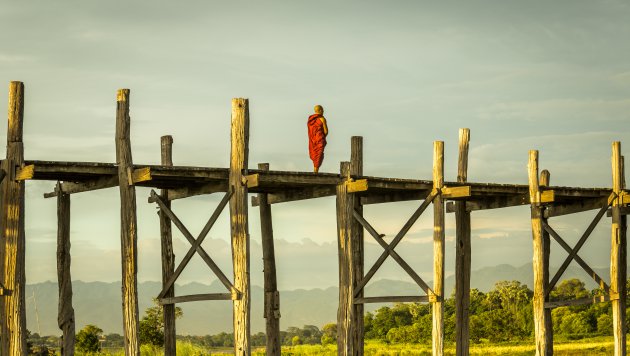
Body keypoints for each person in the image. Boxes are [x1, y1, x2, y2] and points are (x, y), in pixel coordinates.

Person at [307, 105, 329, 173]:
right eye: (322, 110)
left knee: (315, 154)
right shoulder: (322, 119)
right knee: (319, 155)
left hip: (313, 140)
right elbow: (326, 131)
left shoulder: (310, 119)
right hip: (320, 140)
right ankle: (316, 172)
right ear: (320, 110)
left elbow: (310, 130)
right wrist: (322, 136)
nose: (323, 111)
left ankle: (315, 171)